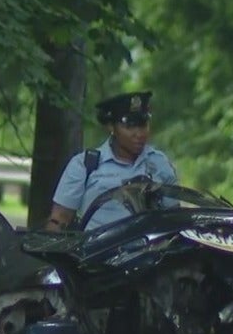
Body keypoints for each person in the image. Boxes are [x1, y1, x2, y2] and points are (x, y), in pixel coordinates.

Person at [45, 91, 178, 231]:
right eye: (130, 126)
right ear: (111, 126)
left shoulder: (158, 163)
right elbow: (59, 220)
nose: (139, 134)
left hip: (150, 250)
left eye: (143, 125)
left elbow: (174, 218)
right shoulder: (85, 165)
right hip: (97, 250)